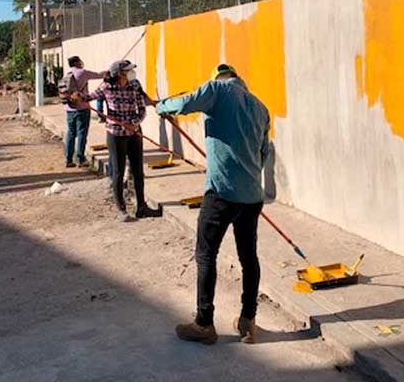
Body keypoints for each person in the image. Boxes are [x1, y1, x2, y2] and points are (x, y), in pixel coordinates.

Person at [155, 63, 270, 345]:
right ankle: (248, 320)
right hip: (252, 195)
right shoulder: (260, 107)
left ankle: (204, 323)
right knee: (248, 257)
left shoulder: (216, 89)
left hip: (221, 193)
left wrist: (161, 106)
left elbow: (185, 102)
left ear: (218, 78)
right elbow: (263, 153)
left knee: (206, 254)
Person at [88, 59, 163, 222]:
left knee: (138, 171)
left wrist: (134, 123)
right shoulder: (106, 87)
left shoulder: (134, 85)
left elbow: (142, 108)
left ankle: (141, 207)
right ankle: (121, 209)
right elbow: (88, 97)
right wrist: (75, 97)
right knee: (118, 172)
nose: (131, 73)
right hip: (115, 134)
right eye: (128, 71)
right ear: (118, 74)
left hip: (134, 133)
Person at [62, 56, 107, 168]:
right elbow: (99, 75)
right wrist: (108, 72)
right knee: (82, 133)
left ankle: (68, 160)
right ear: (77, 62)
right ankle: (80, 159)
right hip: (82, 108)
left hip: (69, 109)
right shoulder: (83, 72)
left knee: (71, 134)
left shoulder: (67, 75)